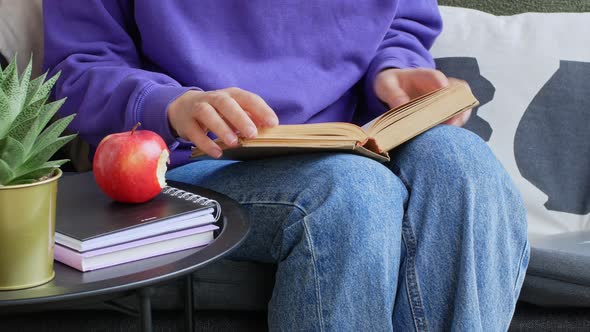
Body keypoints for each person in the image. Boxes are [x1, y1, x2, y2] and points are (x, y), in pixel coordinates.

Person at [43, 1, 529, 330]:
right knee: (351, 192)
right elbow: (77, 67)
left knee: (463, 161)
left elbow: (399, 23)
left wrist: (394, 70)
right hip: (195, 159)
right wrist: (170, 105)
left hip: (356, 144)